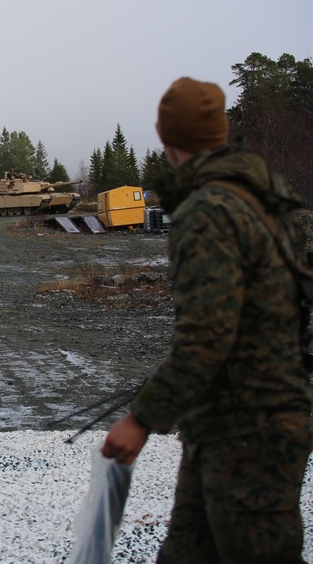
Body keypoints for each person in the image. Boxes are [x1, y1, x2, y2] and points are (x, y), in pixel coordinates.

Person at [101, 77, 311, 562]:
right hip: (230, 420)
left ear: (167, 138)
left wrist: (141, 419)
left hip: (249, 426)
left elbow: (208, 338)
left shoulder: (209, 211)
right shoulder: (263, 199)